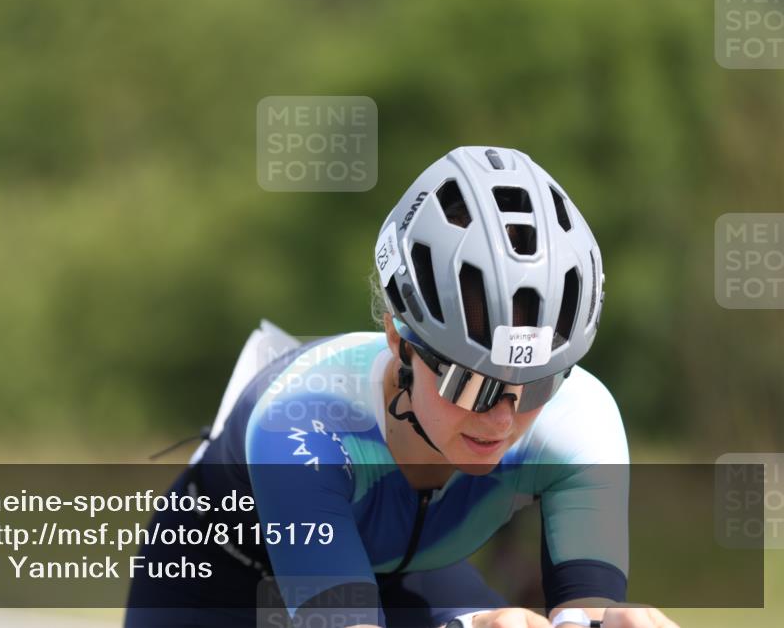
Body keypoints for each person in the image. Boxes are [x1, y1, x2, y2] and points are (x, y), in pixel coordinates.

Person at [125, 147, 680, 628]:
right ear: (399, 338)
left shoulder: (583, 416)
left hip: (398, 572)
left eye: (537, 386)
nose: (502, 420)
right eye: (471, 384)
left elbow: (588, 612)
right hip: (217, 579)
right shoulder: (300, 423)